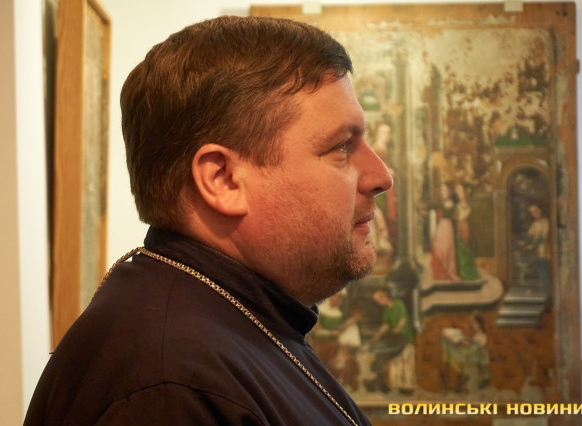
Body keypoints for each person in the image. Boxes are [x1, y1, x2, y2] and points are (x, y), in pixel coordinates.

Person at [24, 16, 392, 426]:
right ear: (222, 179)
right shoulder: (171, 388)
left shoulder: (223, 324)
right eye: (341, 147)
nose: (381, 176)